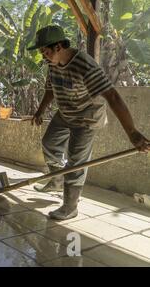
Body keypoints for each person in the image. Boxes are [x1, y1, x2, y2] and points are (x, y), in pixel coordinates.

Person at [28, 25, 150, 220]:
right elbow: (50, 88)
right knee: (49, 144)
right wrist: (40, 111)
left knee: (76, 162)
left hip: (87, 118)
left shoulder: (85, 65)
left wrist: (133, 133)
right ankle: (57, 180)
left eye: (46, 51)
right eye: (42, 52)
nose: (44, 55)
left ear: (59, 46)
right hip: (66, 113)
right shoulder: (52, 64)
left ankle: (70, 207)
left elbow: (113, 97)